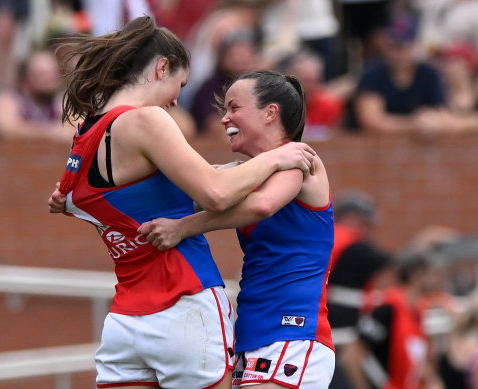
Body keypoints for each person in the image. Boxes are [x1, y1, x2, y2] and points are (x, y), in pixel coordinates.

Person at [47, 17, 316, 389]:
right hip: (184, 304)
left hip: (125, 320)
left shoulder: (86, 131)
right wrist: (274, 158)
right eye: (180, 83)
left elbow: (70, 198)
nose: (176, 99)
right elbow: (216, 193)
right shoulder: (147, 120)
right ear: (161, 67)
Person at [137, 70, 335, 389]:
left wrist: (182, 228)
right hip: (253, 336)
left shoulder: (300, 158)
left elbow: (262, 205)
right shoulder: (250, 171)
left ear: (270, 112)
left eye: (234, 107)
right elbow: (187, 187)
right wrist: (79, 195)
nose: (224, 118)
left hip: (293, 332)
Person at [342, 247, 444, 389]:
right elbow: (351, 356)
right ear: (417, 275)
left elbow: (415, 358)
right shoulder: (388, 308)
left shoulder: (418, 310)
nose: (440, 280)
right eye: (435, 274)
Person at [327, 190, 393, 389]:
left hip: (326, 331)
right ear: (350, 218)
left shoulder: (323, 240)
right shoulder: (353, 246)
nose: (368, 230)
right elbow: (398, 266)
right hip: (342, 336)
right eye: (366, 222)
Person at [353, 11, 450, 137]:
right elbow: (371, 121)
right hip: (377, 149)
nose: (396, 53)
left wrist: (431, 122)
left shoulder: (430, 74)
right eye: (391, 46)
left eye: (402, 47)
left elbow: (441, 117)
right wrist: (414, 124)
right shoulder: (372, 73)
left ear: (414, 45)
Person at [0, 48, 73, 143]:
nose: (50, 79)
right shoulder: (11, 99)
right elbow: (7, 130)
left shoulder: (60, 103)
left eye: (54, 73)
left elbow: (73, 132)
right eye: (43, 74)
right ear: (26, 77)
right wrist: (50, 132)